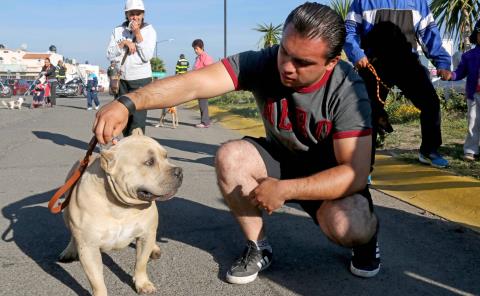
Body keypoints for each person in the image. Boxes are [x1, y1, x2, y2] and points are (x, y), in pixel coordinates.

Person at [94, 2, 380, 283]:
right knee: (231, 156)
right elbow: (193, 84)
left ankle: (366, 242)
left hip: (327, 177)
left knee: (349, 225)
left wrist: (286, 189)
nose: (287, 67)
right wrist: (129, 102)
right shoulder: (264, 62)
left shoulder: (348, 90)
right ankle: (258, 247)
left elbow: (353, 173)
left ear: (331, 62)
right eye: (285, 52)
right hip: (281, 160)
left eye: (303, 62)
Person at [344, 0, 452, 168]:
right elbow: (349, 31)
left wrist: (442, 62)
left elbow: (429, 33)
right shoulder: (363, 1)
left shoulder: (418, 2)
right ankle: (364, 164)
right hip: (374, 63)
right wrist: (356, 53)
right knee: (367, 112)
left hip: (408, 64)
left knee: (431, 103)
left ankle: (429, 151)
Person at [106, 0, 156, 136]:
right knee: (123, 118)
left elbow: (147, 56)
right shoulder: (118, 30)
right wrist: (123, 44)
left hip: (141, 80)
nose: (135, 17)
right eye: (131, 14)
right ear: (126, 15)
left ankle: (138, 152)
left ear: (143, 14)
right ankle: (128, 148)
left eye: (138, 14)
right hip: (121, 79)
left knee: (138, 121)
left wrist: (138, 34)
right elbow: (109, 54)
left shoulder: (149, 30)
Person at [446, 19, 480, 162]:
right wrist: (450, 75)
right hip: (474, 95)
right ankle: (470, 150)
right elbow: (459, 73)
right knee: (473, 122)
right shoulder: (468, 56)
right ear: (475, 35)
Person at [155, 54, 189, 128]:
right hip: (185, 77)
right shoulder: (186, 61)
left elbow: (177, 69)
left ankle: (162, 122)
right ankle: (175, 123)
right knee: (174, 110)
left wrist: (176, 75)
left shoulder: (179, 61)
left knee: (167, 109)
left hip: (179, 77)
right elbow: (187, 68)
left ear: (180, 57)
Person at [192, 39, 214, 128]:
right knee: (202, 103)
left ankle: (205, 123)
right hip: (199, 84)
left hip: (204, 84)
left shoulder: (206, 57)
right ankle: (205, 121)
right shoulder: (198, 58)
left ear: (202, 48)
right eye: (194, 49)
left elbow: (210, 70)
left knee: (203, 103)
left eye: (196, 48)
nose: (195, 51)